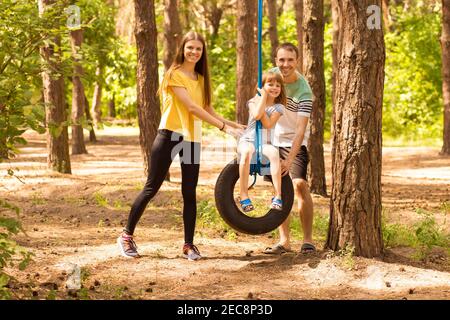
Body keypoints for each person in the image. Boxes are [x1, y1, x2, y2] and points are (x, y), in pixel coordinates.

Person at [117, 31, 244, 260]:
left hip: (192, 138)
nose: (194, 52)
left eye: (198, 49)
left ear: (202, 52)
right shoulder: (174, 74)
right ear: (182, 49)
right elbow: (191, 108)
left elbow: (207, 109)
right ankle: (126, 236)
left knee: (189, 193)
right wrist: (224, 129)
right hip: (170, 135)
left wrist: (236, 125)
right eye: (190, 48)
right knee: (151, 187)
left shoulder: (202, 79)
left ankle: (189, 245)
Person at [263, 43, 316, 255]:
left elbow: (301, 130)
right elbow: (261, 105)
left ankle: (308, 239)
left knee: (300, 184)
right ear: (276, 61)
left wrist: (289, 159)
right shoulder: (271, 77)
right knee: (279, 190)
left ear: (297, 61)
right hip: (273, 139)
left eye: (290, 60)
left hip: (295, 142)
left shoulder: (304, 91)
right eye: (281, 60)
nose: (285, 64)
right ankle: (284, 241)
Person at [237, 72, 285, 212]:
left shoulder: (279, 107)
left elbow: (268, 124)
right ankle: (243, 194)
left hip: (265, 143)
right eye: (270, 84)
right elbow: (257, 115)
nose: (275, 88)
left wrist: (262, 102)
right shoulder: (252, 101)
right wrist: (262, 97)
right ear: (262, 86)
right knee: (247, 151)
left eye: (278, 85)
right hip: (248, 140)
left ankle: (278, 195)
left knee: (274, 153)